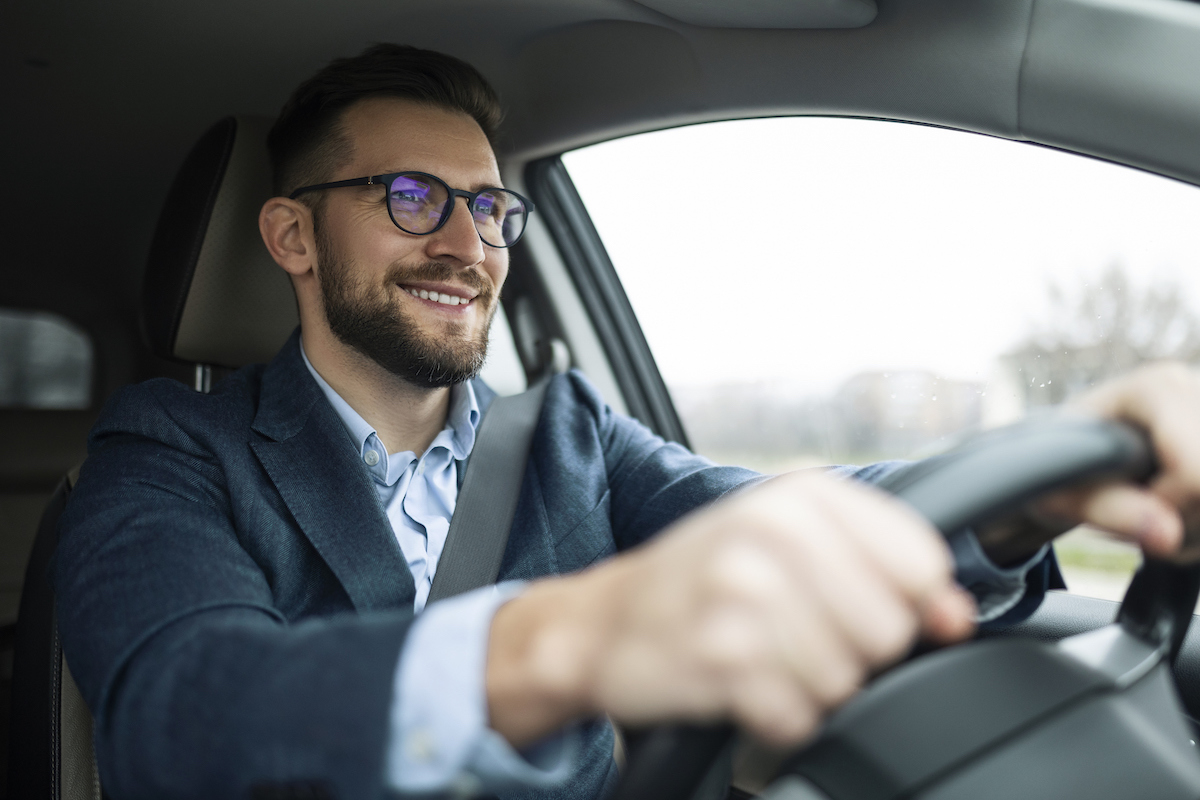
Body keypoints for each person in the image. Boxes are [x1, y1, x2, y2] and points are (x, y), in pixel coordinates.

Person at [53, 43, 1200, 800]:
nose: (470, 245)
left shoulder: (570, 438)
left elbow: (784, 520)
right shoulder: (171, 451)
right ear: (294, 239)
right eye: (412, 198)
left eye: (492, 205)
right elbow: (180, 710)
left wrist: (1025, 489)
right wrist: (561, 638)